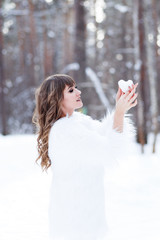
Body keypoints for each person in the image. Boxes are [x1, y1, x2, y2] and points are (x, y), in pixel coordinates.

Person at [32, 74, 138, 240]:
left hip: (83, 216)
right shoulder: (66, 130)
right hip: (76, 221)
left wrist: (120, 108)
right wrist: (119, 112)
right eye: (71, 90)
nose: (78, 92)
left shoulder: (76, 122)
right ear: (57, 98)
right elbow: (110, 149)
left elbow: (104, 135)